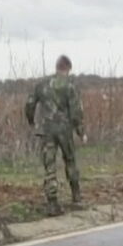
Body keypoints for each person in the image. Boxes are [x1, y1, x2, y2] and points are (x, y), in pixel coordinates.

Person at [25, 55, 87, 216]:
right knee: (70, 161)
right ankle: (77, 196)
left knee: (50, 166)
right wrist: (81, 132)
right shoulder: (69, 86)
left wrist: (31, 122)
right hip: (65, 130)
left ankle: (52, 202)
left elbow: (30, 104)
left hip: (47, 131)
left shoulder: (41, 84)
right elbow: (76, 112)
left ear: (57, 66)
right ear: (67, 68)